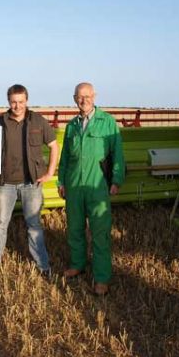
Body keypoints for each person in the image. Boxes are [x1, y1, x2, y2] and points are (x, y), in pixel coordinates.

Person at [57, 82, 125, 295]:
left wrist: (116, 180)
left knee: (100, 232)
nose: (84, 100)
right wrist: (61, 182)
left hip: (97, 185)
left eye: (88, 96)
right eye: (80, 96)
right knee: (75, 228)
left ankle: (102, 277)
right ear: (74, 98)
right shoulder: (72, 125)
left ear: (94, 96)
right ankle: (77, 265)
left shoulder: (107, 122)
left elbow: (118, 153)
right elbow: (66, 157)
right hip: (74, 184)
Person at [0, 84, 58, 277]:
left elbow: (54, 146)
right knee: (0, 224)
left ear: (27, 101)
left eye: (21, 102)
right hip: (5, 183)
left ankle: (43, 266)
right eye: (13, 102)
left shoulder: (38, 120)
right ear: (8, 102)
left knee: (34, 225)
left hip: (31, 183)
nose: (17, 106)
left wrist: (50, 173)